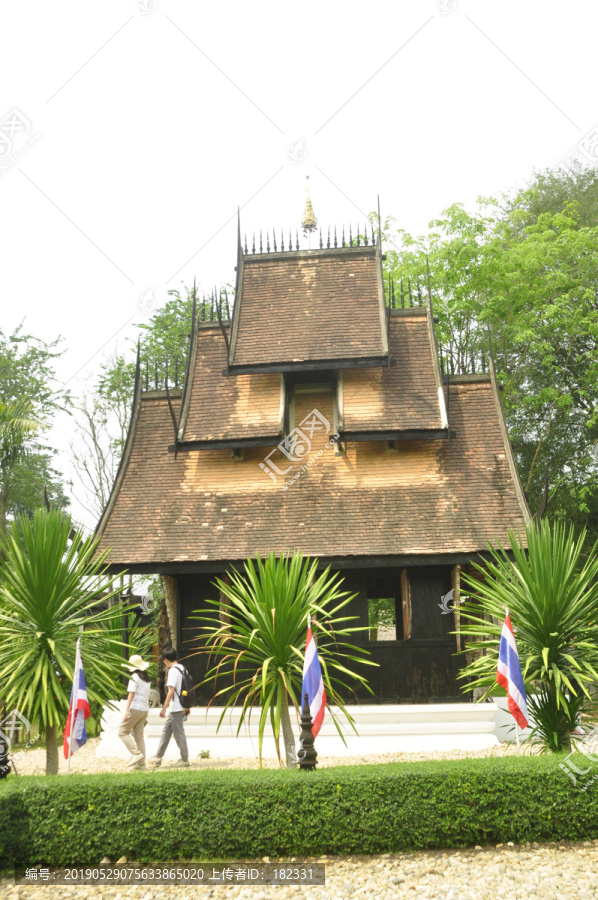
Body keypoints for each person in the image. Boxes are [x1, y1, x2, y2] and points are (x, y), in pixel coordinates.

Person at [148, 648, 190, 768]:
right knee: (167, 731)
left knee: (179, 733)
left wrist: (164, 707)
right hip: (181, 704)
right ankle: (158, 756)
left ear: (166, 659)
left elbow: (171, 690)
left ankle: (184, 759)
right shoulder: (183, 668)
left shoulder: (173, 671)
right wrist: (187, 705)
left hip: (175, 707)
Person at [118, 654, 151, 770]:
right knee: (139, 736)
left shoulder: (134, 677)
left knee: (122, 731)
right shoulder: (146, 679)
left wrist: (126, 710)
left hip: (136, 708)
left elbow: (131, 693)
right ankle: (141, 764)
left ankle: (136, 754)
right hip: (144, 709)